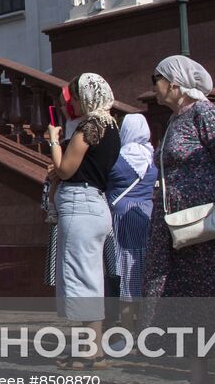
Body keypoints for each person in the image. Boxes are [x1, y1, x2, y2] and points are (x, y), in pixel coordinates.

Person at [143, 56, 215, 384]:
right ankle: (196, 379)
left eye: (156, 78)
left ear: (174, 82)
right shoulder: (175, 119)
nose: (153, 84)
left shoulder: (204, 113)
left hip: (207, 227)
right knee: (189, 303)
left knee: (213, 302)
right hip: (181, 230)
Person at [48, 73, 120, 368]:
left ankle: (90, 351)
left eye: (76, 97)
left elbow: (65, 169)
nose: (73, 103)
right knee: (87, 278)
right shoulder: (112, 125)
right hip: (94, 204)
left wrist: (54, 141)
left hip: (81, 205)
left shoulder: (91, 126)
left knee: (81, 278)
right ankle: (89, 348)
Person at [102, 114, 157, 340]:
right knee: (145, 273)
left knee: (126, 276)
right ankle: (146, 328)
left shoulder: (118, 159)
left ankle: (125, 331)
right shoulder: (152, 157)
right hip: (147, 216)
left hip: (123, 220)